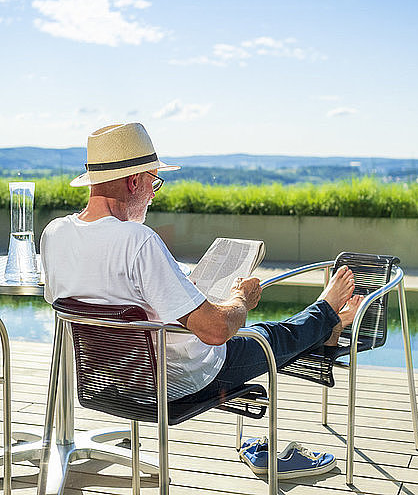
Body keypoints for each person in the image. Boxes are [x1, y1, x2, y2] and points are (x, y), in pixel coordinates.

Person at [41, 122, 363, 478]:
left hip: (106, 383)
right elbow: (216, 331)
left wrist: (184, 290)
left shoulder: (55, 234)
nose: (152, 194)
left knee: (250, 324)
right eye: (153, 183)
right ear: (134, 182)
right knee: (271, 336)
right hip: (177, 381)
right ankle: (329, 312)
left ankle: (330, 324)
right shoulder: (137, 240)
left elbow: (98, 302)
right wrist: (241, 298)